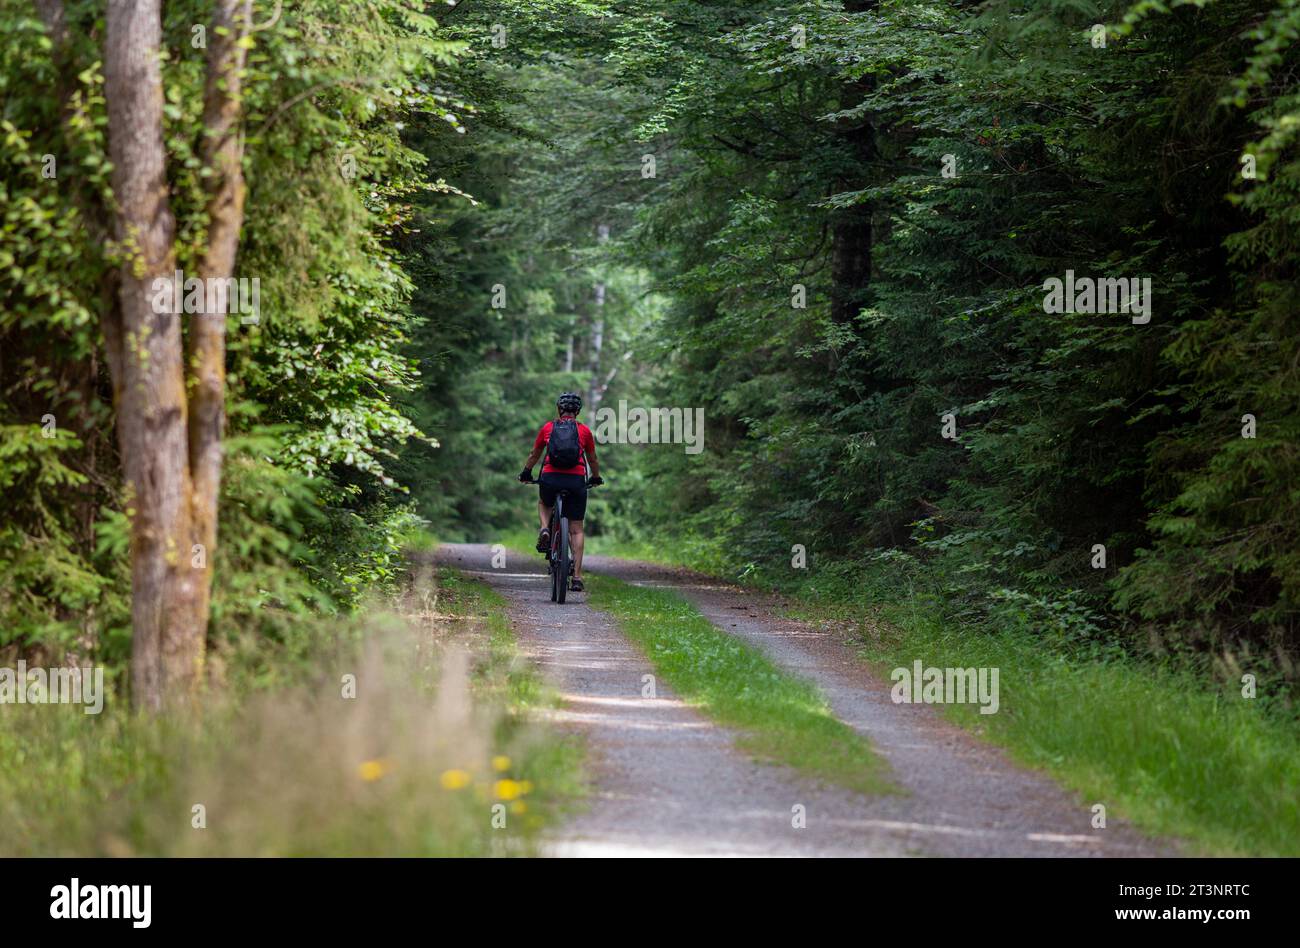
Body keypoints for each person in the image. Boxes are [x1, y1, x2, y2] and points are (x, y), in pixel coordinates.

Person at [518, 392, 603, 591]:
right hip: (575, 481)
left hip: (550, 478)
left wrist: (526, 472)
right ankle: (577, 577)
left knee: (544, 502)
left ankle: (545, 528)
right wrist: (596, 477)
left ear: (559, 409)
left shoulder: (548, 428)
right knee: (577, 529)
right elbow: (593, 460)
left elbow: (535, 454)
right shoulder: (584, 432)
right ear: (578, 411)